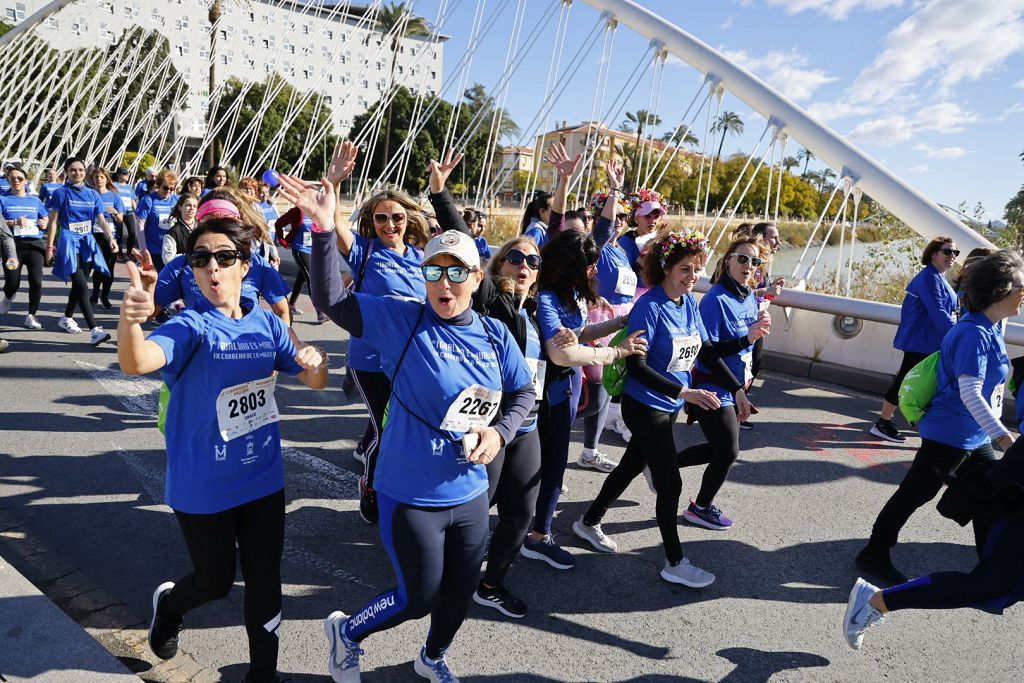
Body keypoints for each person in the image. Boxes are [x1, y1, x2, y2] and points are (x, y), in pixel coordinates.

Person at [279, 170, 536, 683]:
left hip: (468, 492)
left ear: (477, 278)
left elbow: (523, 392)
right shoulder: (405, 320)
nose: (446, 283)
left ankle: (432, 656)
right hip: (410, 491)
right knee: (417, 597)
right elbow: (334, 302)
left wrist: (499, 432)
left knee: (460, 592)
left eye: (458, 272)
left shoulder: (494, 334)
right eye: (435, 271)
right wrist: (326, 232)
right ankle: (348, 632)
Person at [118, 217, 328, 683]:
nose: (212, 267)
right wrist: (131, 320)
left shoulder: (266, 323)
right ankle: (170, 606)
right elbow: (137, 362)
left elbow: (312, 378)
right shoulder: (190, 326)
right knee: (214, 582)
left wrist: (315, 360)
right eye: (200, 259)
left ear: (244, 265)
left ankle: (263, 674)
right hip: (203, 482)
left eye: (224, 257)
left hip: (261, 476)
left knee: (264, 579)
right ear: (192, 270)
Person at [574, 227, 751, 587]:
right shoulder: (649, 306)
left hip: (669, 404)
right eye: (685, 269)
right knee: (670, 483)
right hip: (643, 405)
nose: (692, 276)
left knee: (630, 465)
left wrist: (737, 389)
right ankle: (674, 561)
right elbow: (637, 365)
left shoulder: (688, 303)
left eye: (697, 268)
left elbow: (704, 351)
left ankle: (588, 521)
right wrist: (685, 394)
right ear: (667, 268)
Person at [319, 142, 470, 526]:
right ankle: (370, 483)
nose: (390, 225)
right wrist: (334, 182)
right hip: (369, 361)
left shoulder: (423, 257)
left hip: (409, 361)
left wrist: (440, 192)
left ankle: (399, 480)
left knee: (398, 424)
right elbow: (334, 226)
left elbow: (461, 247)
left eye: (398, 217)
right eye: (382, 218)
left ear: (408, 220)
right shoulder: (365, 250)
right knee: (387, 430)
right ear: (373, 221)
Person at [856, 249, 1022, 585]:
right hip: (951, 433)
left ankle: (990, 565)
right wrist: (1004, 437)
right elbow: (971, 394)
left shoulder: (988, 328)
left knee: (994, 491)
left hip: (971, 434)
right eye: (1020, 286)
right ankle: (874, 552)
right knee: (916, 493)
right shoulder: (973, 333)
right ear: (999, 290)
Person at [522, 164, 647, 570]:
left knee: (552, 464)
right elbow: (562, 354)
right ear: (573, 267)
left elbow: (581, 333)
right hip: (544, 393)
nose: (596, 270)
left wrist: (616, 324)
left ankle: (532, 530)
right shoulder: (546, 300)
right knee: (540, 464)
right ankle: (532, 534)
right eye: (590, 266)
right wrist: (616, 352)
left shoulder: (571, 295)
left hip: (565, 390)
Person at [844, 437, 1024, 651]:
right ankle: (876, 600)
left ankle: (877, 587)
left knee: (996, 586)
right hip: (1009, 485)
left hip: (990, 456)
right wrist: (1003, 437)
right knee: (991, 588)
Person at [677, 233, 771, 529]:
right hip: (712, 382)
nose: (748, 265)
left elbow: (745, 347)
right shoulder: (715, 299)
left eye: (754, 261)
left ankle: (658, 462)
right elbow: (708, 354)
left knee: (720, 447)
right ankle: (700, 507)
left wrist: (755, 337)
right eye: (742, 258)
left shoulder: (747, 297)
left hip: (734, 384)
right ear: (727, 261)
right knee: (728, 450)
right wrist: (749, 336)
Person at [154, 190, 291, 326]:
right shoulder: (183, 264)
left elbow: (283, 311)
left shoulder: (256, 263)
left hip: (247, 343)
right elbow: (148, 311)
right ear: (198, 224)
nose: (218, 230)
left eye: (225, 222)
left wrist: (285, 344)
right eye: (210, 223)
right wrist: (144, 292)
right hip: (198, 343)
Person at [870, 237, 959, 443]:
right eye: (947, 252)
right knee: (905, 381)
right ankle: (882, 423)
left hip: (932, 342)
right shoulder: (929, 277)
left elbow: (950, 310)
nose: (952, 256)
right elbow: (938, 312)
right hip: (921, 341)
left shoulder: (938, 277)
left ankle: (910, 424)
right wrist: (960, 334)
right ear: (934, 253)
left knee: (924, 384)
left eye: (955, 253)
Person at [44, 157, 117, 344]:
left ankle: (66, 318)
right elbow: (53, 221)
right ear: (67, 172)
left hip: (87, 241)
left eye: (81, 170)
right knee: (82, 285)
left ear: (85, 172)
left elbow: (101, 219)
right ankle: (95, 330)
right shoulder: (61, 193)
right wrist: (50, 247)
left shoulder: (92, 194)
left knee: (80, 284)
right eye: (73, 170)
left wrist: (111, 239)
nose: (77, 173)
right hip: (69, 242)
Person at [0, 166, 48, 328]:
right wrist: (13, 222)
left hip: (35, 244)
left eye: (20, 178)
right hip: (12, 246)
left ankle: (31, 316)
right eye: (12, 178)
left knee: (36, 281)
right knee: (13, 283)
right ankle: (7, 298)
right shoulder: (3, 199)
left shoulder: (34, 200)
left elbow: (45, 218)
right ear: (8, 180)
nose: (16, 181)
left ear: (25, 181)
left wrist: (44, 222)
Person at [275, 205, 325, 322]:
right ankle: (320, 312)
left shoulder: (316, 210)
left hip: (313, 250)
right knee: (311, 278)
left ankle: (291, 304)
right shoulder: (297, 211)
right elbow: (279, 224)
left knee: (302, 277)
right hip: (300, 249)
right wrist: (283, 241)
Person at [87, 167, 126, 310]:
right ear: (92, 180)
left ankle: (105, 295)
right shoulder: (89, 195)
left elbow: (121, 219)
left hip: (111, 235)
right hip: (93, 233)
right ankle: (95, 293)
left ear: (106, 179)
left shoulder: (114, 197)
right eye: (96, 177)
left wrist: (114, 212)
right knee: (97, 266)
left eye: (101, 177)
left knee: (109, 267)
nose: (99, 179)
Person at [136, 169, 180, 272]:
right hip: (154, 249)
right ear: (159, 185)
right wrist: (143, 249)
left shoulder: (177, 200)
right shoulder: (148, 200)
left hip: (171, 249)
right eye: (165, 188)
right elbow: (140, 225)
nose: (168, 191)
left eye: (172, 188)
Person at [161, 193, 199, 264]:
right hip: (183, 271)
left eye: (195, 206)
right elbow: (168, 260)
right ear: (180, 207)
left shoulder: (202, 228)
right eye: (188, 205)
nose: (192, 208)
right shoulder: (172, 233)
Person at [113, 168, 139, 259]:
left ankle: (129, 251)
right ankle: (119, 253)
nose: (127, 176)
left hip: (129, 212)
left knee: (132, 232)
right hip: (118, 213)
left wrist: (137, 211)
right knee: (118, 234)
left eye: (128, 174)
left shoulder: (129, 187)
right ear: (119, 175)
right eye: (125, 174)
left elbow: (132, 201)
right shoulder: (114, 185)